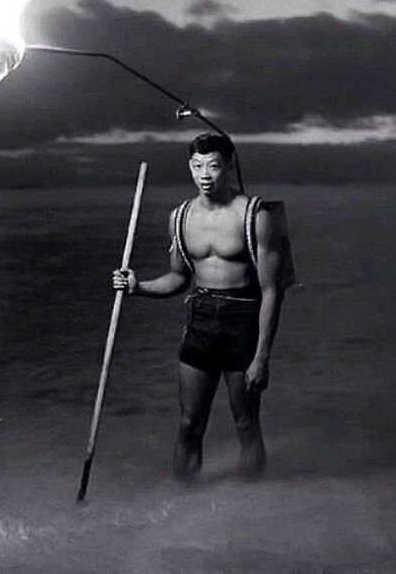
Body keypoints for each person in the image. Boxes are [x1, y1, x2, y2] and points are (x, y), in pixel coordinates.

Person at [112, 133, 286, 480]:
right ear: (190, 168)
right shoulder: (180, 217)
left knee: (246, 422)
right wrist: (138, 286)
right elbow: (178, 279)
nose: (205, 174)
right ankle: (182, 510)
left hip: (242, 321)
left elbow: (272, 291)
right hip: (201, 319)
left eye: (213, 165)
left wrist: (262, 358)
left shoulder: (256, 215)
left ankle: (256, 508)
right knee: (189, 424)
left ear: (229, 165)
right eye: (197, 166)